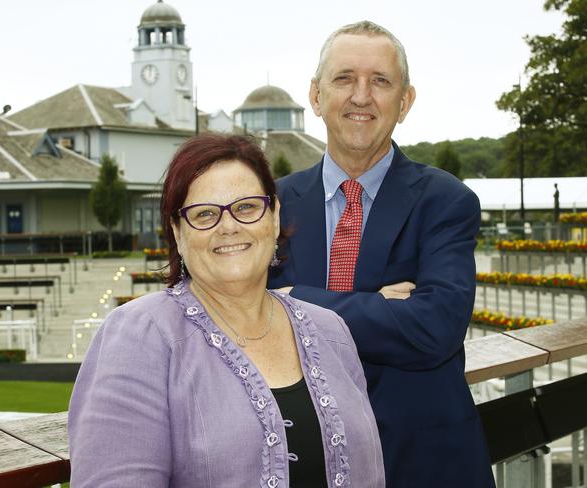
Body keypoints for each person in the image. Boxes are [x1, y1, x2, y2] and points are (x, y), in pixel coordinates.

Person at [68, 134, 385, 487]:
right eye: (204, 214)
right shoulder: (139, 337)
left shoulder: (331, 331)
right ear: (177, 232)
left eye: (247, 207)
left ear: (275, 216)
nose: (229, 226)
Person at [268, 21, 495, 487]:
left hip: (425, 463)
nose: (361, 96)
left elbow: (435, 328)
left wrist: (292, 301)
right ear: (315, 96)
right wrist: (377, 305)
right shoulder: (270, 204)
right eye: (344, 78)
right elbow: (240, 316)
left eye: (380, 81)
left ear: (405, 102)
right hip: (303, 461)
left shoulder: (447, 201)